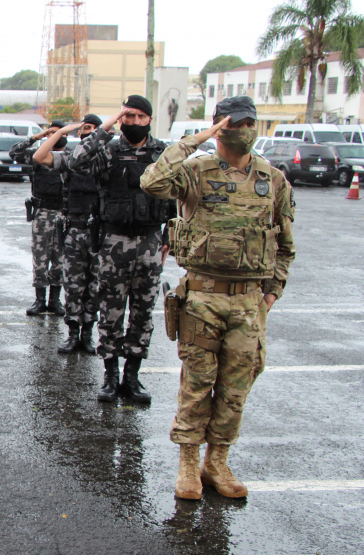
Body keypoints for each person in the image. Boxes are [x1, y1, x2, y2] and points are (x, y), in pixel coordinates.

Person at [140, 96, 295, 500]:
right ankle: (188, 464)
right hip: (202, 297)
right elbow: (152, 181)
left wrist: (271, 294)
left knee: (236, 387)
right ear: (219, 126)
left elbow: (286, 247)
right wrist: (196, 140)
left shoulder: (272, 179)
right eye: (234, 122)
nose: (243, 129)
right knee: (198, 381)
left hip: (249, 302)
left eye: (249, 122)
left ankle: (217, 461)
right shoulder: (195, 171)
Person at [69, 95, 175, 404]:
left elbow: (175, 198)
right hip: (115, 242)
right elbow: (78, 161)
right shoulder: (109, 149)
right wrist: (106, 127)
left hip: (151, 242)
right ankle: (110, 375)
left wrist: (169, 236)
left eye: (140, 116)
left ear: (149, 120)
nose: (133, 122)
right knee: (112, 311)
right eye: (128, 116)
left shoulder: (161, 153)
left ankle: (132, 376)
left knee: (142, 312)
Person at [31, 114, 103, 354]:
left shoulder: (107, 158)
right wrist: (61, 132)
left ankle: (87, 334)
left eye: (92, 129)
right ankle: (73, 334)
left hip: (98, 232)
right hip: (73, 228)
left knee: (93, 287)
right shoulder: (71, 158)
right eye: (84, 129)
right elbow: (39, 156)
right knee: (73, 285)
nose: (87, 132)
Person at [9, 120, 67, 317]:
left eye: (61, 133)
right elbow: (14, 153)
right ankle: (40, 300)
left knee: (59, 260)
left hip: (63, 213)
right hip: (42, 213)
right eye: (54, 134)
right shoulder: (37, 158)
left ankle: (55, 300)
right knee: (40, 259)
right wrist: (37, 137)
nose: (57, 137)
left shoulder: (71, 157)